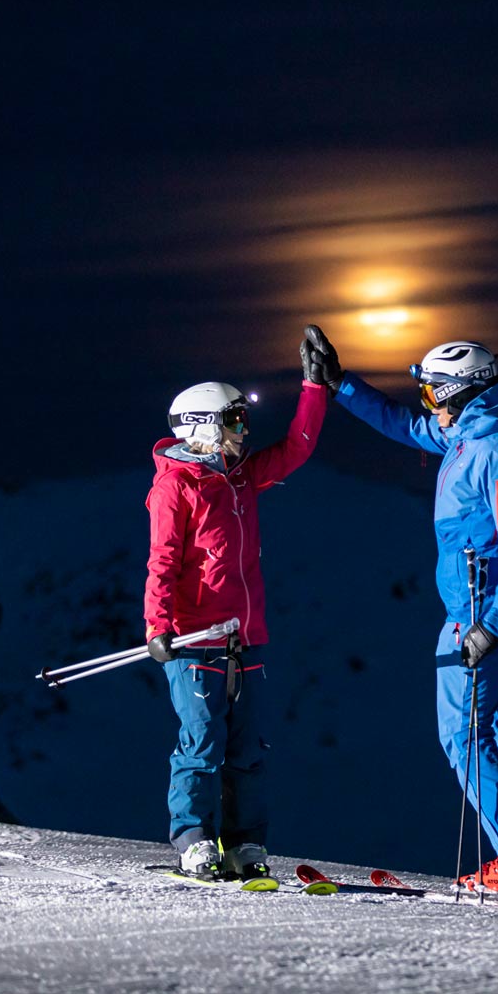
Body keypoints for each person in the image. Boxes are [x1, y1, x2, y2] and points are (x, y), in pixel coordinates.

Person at [304, 325, 498, 904]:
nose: (429, 406)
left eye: (434, 393)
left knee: (462, 738)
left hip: (480, 617)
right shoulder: (473, 434)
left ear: (462, 391)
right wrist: (340, 386)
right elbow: (404, 427)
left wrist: (492, 623)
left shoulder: (494, 449)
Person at [143, 328, 330, 880]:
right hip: (194, 636)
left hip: (245, 636)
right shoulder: (177, 487)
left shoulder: (240, 477)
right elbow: (163, 561)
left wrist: (315, 387)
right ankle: (194, 838)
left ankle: (245, 843)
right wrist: (158, 625)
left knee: (249, 746)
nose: (243, 430)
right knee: (202, 742)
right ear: (202, 426)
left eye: (243, 420)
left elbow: (296, 447)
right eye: (234, 421)